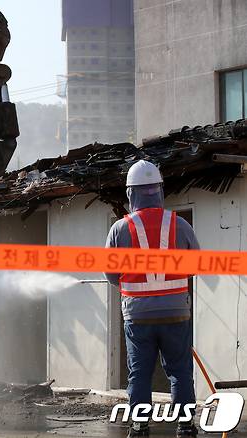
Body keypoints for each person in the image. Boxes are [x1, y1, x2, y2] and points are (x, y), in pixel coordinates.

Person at [104, 160, 200, 438]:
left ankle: (140, 424)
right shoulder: (179, 224)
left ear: (131, 193)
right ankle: (184, 424)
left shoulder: (119, 229)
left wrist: (132, 286)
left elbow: (111, 274)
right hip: (175, 313)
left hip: (137, 315)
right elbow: (194, 265)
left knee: (140, 372)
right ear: (158, 190)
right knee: (180, 371)